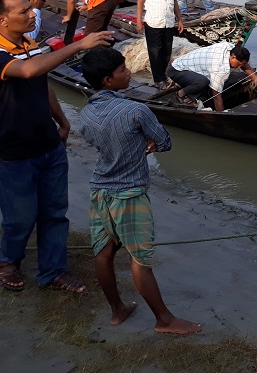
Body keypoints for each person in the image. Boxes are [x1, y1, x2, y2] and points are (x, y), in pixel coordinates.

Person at [78, 48, 202, 334]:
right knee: (140, 258)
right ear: (108, 80)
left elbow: (104, 147)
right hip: (129, 193)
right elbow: (164, 141)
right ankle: (164, 320)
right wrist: (149, 143)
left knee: (104, 252)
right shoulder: (136, 110)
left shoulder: (85, 115)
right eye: (123, 70)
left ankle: (117, 311)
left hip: (100, 190)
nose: (129, 72)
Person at [0, 0, 114, 294]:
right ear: (2, 21)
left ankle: (52, 271)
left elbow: (42, 83)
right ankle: (8, 260)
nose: (31, 13)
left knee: (54, 212)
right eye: (23, 11)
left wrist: (63, 123)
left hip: (49, 145)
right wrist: (78, 46)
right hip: (13, 152)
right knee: (20, 216)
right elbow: (26, 71)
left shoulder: (29, 43)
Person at [167, 42, 257, 111]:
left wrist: (254, 77)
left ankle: (191, 92)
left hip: (191, 68)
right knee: (203, 82)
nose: (239, 67)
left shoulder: (230, 47)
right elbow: (217, 97)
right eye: (238, 64)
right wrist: (221, 114)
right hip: (176, 70)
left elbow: (243, 63)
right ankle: (181, 93)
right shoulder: (220, 68)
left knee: (207, 82)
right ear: (233, 57)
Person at [136, 0, 184, 89]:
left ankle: (163, 74)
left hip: (168, 22)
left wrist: (179, 19)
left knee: (167, 51)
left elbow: (174, 2)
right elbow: (140, 3)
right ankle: (158, 80)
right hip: (153, 23)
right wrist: (138, 21)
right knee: (155, 52)